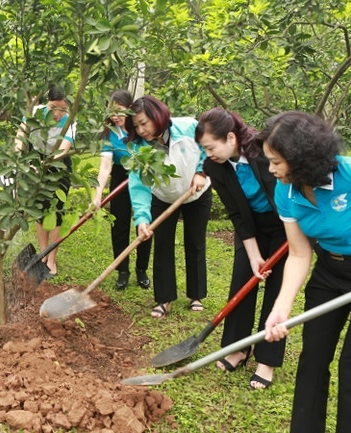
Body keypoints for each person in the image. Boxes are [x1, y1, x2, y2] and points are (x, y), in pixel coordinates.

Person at [262, 111, 351, 433]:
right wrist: (281, 309)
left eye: (276, 161)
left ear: (301, 157)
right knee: (312, 359)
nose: (270, 169)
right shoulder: (285, 191)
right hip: (330, 270)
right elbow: (299, 254)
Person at [197, 107, 287, 389]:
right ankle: (238, 348)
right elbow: (237, 214)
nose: (208, 154)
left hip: (285, 224)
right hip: (251, 227)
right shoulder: (215, 167)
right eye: (205, 149)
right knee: (241, 283)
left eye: (211, 147)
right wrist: (253, 256)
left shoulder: (264, 153)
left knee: (277, 290)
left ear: (231, 138)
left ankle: (267, 359)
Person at [127, 94, 211, 318]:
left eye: (144, 122)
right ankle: (164, 299)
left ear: (157, 115)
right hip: (163, 197)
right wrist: (142, 219)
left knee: (195, 243)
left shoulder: (188, 127)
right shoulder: (140, 150)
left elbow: (208, 148)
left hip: (196, 193)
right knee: (162, 245)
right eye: (136, 126)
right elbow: (139, 185)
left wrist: (201, 171)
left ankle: (196, 295)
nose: (142, 130)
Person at [15, 86, 76, 276]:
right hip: (36, 160)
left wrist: (48, 163)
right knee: (40, 210)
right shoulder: (35, 113)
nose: (57, 114)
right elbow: (20, 136)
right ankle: (42, 254)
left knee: (56, 210)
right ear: (46, 103)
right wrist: (22, 161)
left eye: (62, 110)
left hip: (59, 163)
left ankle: (52, 260)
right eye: (53, 108)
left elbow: (64, 148)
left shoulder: (71, 121)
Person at [94, 90, 150, 290]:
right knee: (119, 224)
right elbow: (105, 166)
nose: (115, 116)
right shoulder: (109, 133)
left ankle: (141, 269)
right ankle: (122, 270)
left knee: (143, 223)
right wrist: (99, 193)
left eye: (120, 111)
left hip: (141, 175)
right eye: (112, 112)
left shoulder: (138, 128)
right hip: (120, 177)